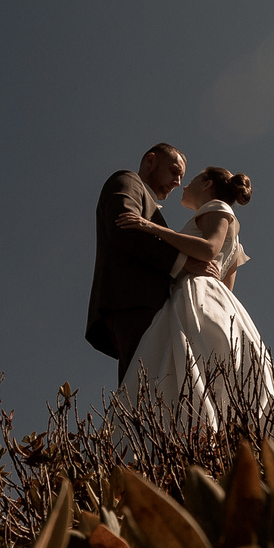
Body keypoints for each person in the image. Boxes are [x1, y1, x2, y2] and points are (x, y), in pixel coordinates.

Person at [112, 165, 274, 435]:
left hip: (196, 293)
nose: (184, 184)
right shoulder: (236, 241)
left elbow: (208, 249)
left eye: (193, 179)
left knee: (184, 362)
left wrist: (150, 227)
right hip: (215, 298)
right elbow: (226, 285)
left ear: (207, 184)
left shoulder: (217, 208)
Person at [86, 143, 192, 383]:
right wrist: (182, 264)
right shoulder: (127, 180)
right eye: (174, 171)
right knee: (145, 385)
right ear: (151, 161)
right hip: (135, 303)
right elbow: (123, 228)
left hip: (145, 307)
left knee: (148, 386)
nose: (177, 182)